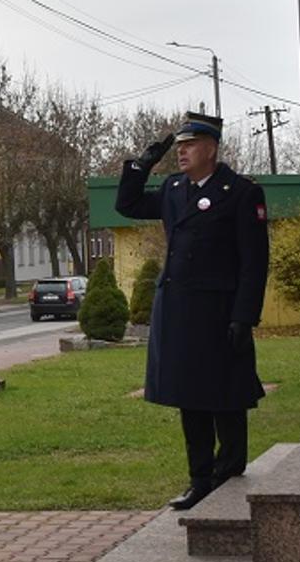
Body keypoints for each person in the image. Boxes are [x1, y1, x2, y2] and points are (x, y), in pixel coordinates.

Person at [114, 113, 269, 511]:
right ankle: (200, 478)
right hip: (180, 309)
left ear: (211, 149)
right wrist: (140, 165)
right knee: (190, 397)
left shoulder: (240, 192)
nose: (181, 152)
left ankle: (230, 468)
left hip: (219, 310)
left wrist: (244, 315)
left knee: (225, 394)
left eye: (190, 145)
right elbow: (128, 205)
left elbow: (254, 261)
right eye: (179, 146)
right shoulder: (174, 188)